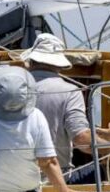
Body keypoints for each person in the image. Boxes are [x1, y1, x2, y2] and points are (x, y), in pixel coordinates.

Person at [20, 33, 96, 173]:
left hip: (12, 176)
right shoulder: (70, 91)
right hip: (55, 179)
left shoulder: (8, 89)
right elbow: (81, 139)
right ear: (59, 65)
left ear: (31, 61)